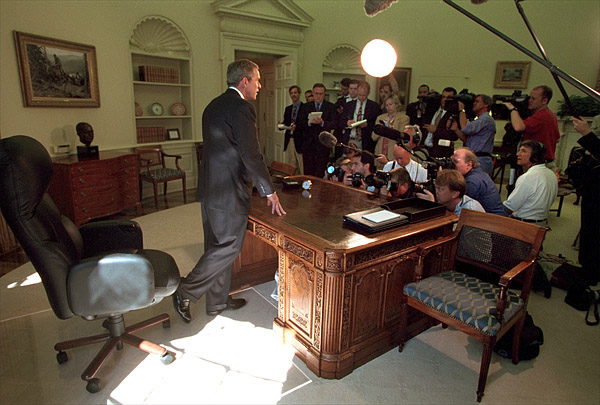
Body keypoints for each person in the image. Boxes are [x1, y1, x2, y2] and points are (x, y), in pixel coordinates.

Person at [172, 59, 286, 323]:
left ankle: (217, 302)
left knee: (215, 243)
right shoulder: (242, 108)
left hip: (210, 188)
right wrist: (268, 190)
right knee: (229, 246)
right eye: (256, 80)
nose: (260, 85)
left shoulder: (213, 105)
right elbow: (250, 153)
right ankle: (185, 290)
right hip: (228, 190)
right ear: (243, 81)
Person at [571, 116, 600, 286]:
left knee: (593, 231)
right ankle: (588, 268)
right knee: (589, 228)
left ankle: (590, 272)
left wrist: (587, 133)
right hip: (593, 189)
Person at [503, 85, 560, 170]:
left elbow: (518, 127)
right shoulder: (551, 115)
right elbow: (557, 139)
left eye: (533, 99)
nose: (529, 101)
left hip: (538, 165)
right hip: (546, 163)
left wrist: (513, 109)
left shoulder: (541, 116)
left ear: (544, 101)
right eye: (530, 98)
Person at [503, 140, 557, 226]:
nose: (518, 154)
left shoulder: (528, 177)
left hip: (524, 226)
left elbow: (510, 207)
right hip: (541, 224)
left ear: (535, 156)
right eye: (519, 150)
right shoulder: (551, 174)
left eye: (523, 151)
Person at [451, 148, 507, 216]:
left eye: (455, 161)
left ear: (469, 164)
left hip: (492, 222)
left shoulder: (472, 182)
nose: (452, 165)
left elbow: (458, 207)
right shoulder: (478, 173)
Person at [296, 83, 336, 177]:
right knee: (308, 173)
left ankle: (319, 191)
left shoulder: (330, 107)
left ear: (324, 94)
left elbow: (334, 124)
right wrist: (309, 122)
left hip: (323, 145)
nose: (318, 96)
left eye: (320, 94)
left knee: (320, 172)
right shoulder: (305, 107)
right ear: (313, 94)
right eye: (316, 93)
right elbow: (299, 124)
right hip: (308, 145)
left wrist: (322, 123)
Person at [451, 94, 496, 175]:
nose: (474, 103)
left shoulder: (486, 119)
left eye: (477, 101)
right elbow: (466, 140)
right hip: (474, 158)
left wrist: (462, 110)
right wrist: (456, 129)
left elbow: (466, 128)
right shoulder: (478, 120)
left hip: (481, 160)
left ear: (486, 104)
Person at [417, 169, 484, 216]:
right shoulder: (447, 204)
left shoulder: (469, 209)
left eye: (440, 189)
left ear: (454, 194)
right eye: (436, 187)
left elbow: (451, 232)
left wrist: (433, 207)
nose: (436, 192)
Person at [423, 87, 467, 158]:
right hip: (426, 149)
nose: (445, 100)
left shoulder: (455, 114)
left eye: (448, 98)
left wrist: (436, 130)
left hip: (441, 152)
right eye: (443, 97)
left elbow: (453, 135)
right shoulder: (432, 110)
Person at [339, 81, 381, 152]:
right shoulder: (348, 105)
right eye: (359, 95)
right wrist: (347, 123)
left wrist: (367, 125)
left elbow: (377, 126)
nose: (361, 97)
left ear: (368, 93)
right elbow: (340, 122)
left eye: (363, 95)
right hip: (349, 139)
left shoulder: (374, 106)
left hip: (365, 141)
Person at [372, 95, 410, 168]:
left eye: (390, 104)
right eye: (386, 105)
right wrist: (381, 129)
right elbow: (373, 137)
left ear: (396, 104)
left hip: (393, 153)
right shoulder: (380, 117)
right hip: (380, 150)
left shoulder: (404, 118)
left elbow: (402, 136)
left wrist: (389, 127)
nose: (388, 107)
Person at [281, 85, 303, 173]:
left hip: (300, 141)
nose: (293, 95)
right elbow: (286, 122)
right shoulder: (288, 109)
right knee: (290, 167)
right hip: (289, 139)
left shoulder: (305, 107)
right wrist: (281, 126)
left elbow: (305, 123)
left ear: (299, 94)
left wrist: (297, 126)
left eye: (295, 93)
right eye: (291, 93)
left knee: (302, 166)